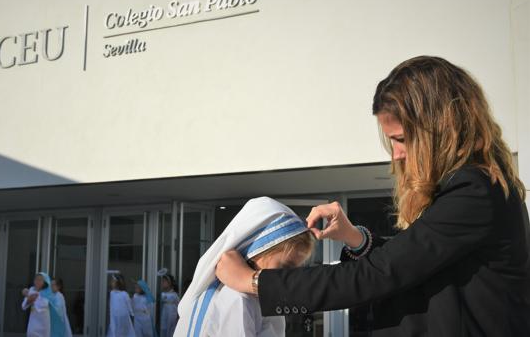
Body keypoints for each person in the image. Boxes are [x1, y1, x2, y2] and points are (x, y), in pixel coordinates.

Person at [214, 56, 530, 336]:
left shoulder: (474, 192)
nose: (396, 154)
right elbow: (417, 262)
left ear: (440, 129)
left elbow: (377, 275)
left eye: (402, 139)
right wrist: (356, 239)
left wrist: (254, 282)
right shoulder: (474, 188)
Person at [175, 196, 315, 337]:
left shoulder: (259, 297)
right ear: (255, 252)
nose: (291, 276)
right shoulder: (239, 298)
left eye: (296, 269)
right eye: (285, 266)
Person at [22, 272, 67, 337]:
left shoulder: (49, 293)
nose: (37, 281)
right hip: (33, 324)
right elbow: (23, 306)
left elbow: (43, 305)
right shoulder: (31, 290)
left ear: (45, 282)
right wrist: (28, 300)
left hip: (44, 325)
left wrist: (32, 297)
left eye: (40, 280)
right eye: (36, 279)